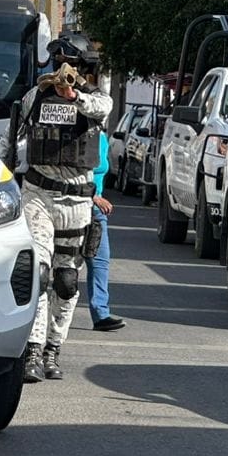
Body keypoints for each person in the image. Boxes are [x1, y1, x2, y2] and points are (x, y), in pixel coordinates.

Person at [0, 32, 112, 384]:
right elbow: (10, 139)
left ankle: (53, 348)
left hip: (76, 200)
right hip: (39, 194)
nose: (64, 69)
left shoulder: (96, 100)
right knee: (40, 275)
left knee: (65, 279)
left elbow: (98, 111)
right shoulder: (36, 96)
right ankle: (32, 350)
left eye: (72, 63)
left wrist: (73, 94)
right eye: (59, 62)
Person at [87, 124, 125, 332]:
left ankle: (101, 314)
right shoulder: (79, 134)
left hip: (95, 211)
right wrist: (92, 196)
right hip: (75, 205)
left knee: (100, 262)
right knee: (64, 267)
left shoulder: (101, 136)